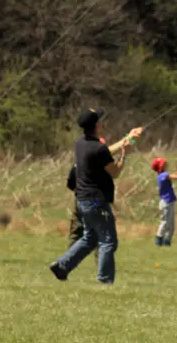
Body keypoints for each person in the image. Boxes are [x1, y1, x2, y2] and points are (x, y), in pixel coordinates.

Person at [49, 109, 143, 284]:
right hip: (97, 201)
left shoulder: (80, 144)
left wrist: (128, 138)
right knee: (109, 241)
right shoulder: (99, 148)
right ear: (96, 126)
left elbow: (103, 153)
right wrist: (124, 155)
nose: (102, 123)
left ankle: (62, 266)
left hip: (83, 200)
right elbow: (115, 172)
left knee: (90, 238)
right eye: (100, 121)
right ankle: (105, 280)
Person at [152, 157, 177, 247]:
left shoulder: (163, 175)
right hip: (166, 203)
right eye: (164, 163)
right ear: (161, 166)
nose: (166, 164)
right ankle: (159, 239)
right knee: (165, 222)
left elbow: (174, 175)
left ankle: (167, 241)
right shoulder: (163, 175)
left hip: (169, 202)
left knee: (171, 225)